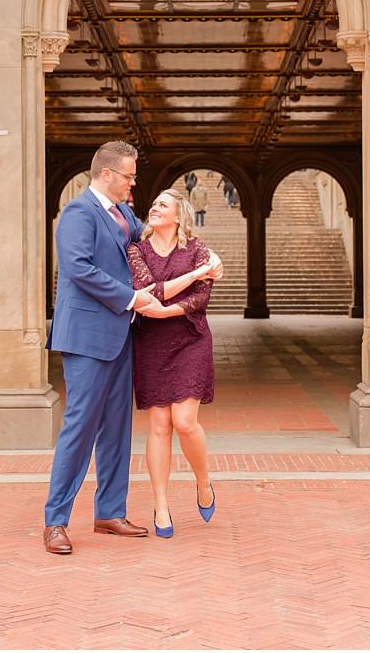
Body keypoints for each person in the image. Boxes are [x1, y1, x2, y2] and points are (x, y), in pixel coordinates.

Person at [41, 141, 222, 556]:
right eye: (128, 176)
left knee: (117, 429)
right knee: (80, 427)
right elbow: (78, 268)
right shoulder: (77, 213)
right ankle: (55, 520)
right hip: (87, 338)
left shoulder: (124, 215)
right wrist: (133, 298)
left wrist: (211, 258)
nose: (133, 183)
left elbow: (167, 235)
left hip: (123, 338)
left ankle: (109, 511)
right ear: (106, 174)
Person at [128, 188, 218, 538]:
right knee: (160, 425)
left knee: (184, 421)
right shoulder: (137, 250)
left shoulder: (198, 250)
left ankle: (203, 480)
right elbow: (147, 288)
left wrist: (167, 310)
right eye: (154, 204)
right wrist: (194, 276)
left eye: (163, 205)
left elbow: (201, 298)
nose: (154, 208)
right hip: (151, 344)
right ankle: (161, 504)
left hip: (190, 339)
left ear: (179, 215)